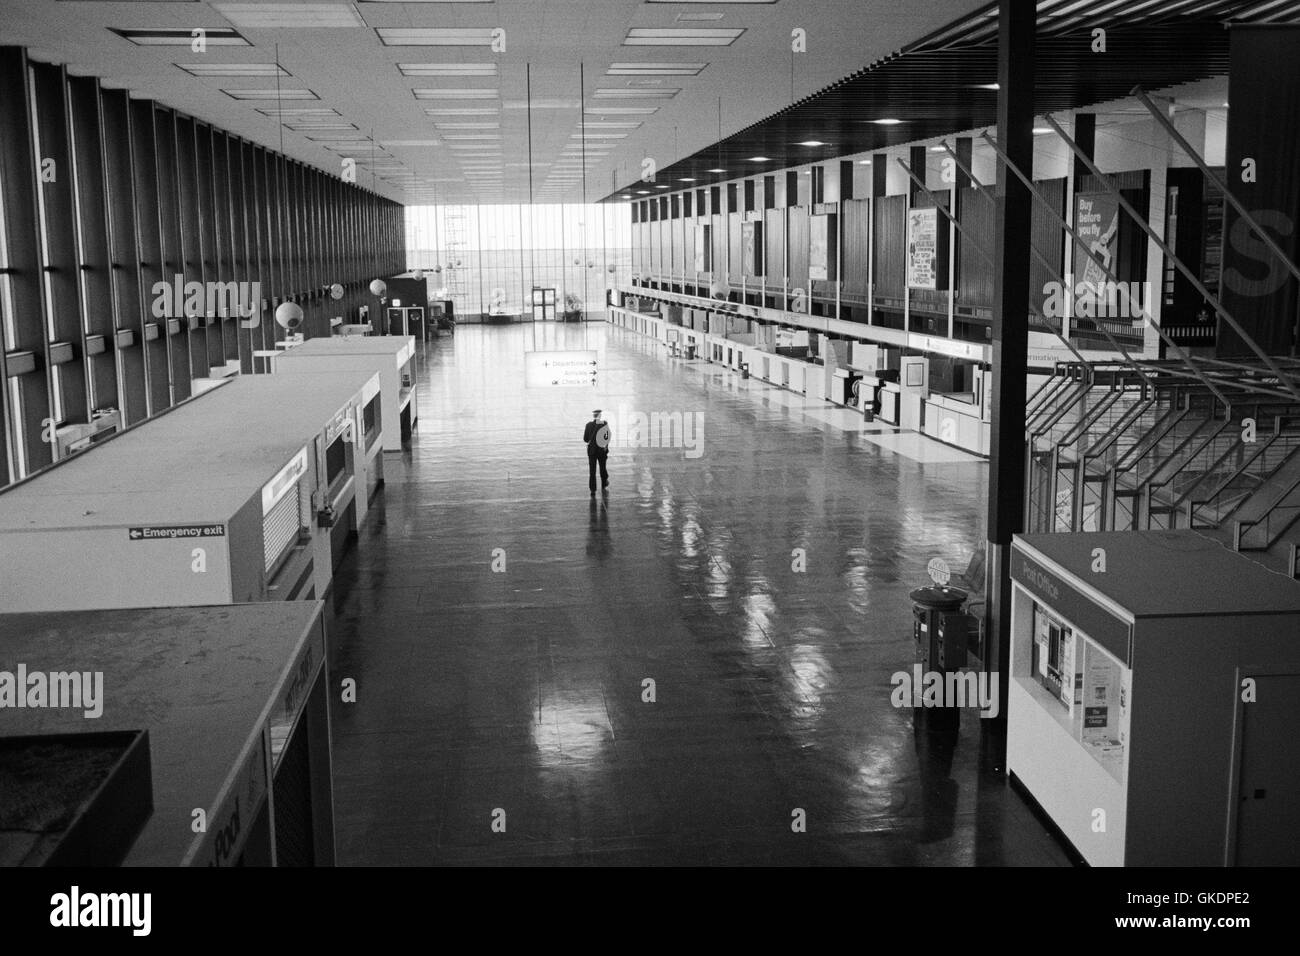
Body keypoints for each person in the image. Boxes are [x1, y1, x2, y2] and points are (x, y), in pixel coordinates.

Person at [582, 409, 610, 494]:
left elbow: (585, 439)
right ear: (600, 416)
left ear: (593, 416)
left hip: (592, 452)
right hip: (602, 450)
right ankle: (604, 484)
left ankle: (593, 490)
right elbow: (607, 438)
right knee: (603, 468)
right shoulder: (604, 424)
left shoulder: (588, 425)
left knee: (592, 471)